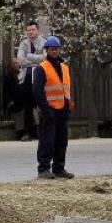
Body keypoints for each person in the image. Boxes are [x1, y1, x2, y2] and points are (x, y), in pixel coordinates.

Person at [32, 36, 74, 180]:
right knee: (47, 141)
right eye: (51, 49)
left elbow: (65, 89)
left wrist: (68, 105)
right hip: (48, 110)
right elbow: (37, 91)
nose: (54, 51)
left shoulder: (64, 68)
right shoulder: (42, 68)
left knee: (61, 141)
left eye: (56, 49)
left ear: (59, 49)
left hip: (62, 110)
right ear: (47, 50)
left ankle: (59, 168)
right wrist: (45, 109)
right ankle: (43, 169)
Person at [16, 20, 46, 141]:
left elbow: (45, 58)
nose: (31, 32)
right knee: (27, 106)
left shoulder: (44, 42)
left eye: (33, 30)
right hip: (26, 77)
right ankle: (28, 132)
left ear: (38, 30)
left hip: (39, 77)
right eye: (28, 30)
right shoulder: (23, 43)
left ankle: (42, 131)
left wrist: (29, 56)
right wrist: (36, 61)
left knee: (41, 105)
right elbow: (20, 60)